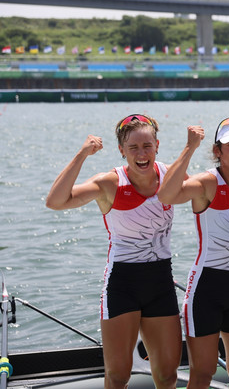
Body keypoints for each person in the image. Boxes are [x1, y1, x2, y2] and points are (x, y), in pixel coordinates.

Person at [45, 114, 182, 389]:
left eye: (147, 146)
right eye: (133, 148)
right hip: (123, 284)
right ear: (122, 150)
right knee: (118, 376)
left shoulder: (170, 175)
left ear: (157, 145)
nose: (142, 154)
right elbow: (55, 201)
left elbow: (211, 189)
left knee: (168, 376)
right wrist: (83, 154)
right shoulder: (109, 183)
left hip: (160, 282)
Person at [158, 117, 229, 389]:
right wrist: (190, 148)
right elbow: (166, 195)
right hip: (207, 289)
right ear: (218, 151)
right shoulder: (206, 183)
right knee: (202, 375)